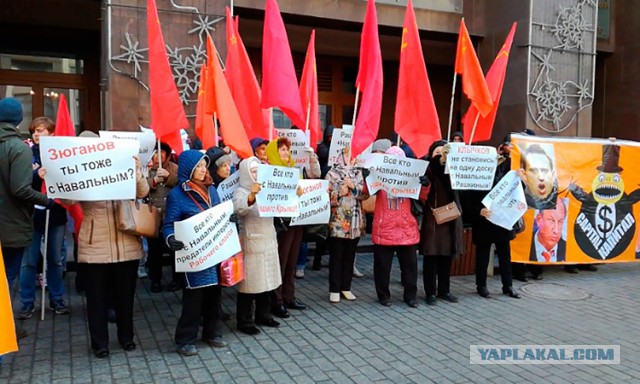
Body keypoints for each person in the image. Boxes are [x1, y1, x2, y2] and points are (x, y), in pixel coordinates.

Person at [63, 131, 149, 358]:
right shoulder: (80, 171)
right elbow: (68, 200)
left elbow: (143, 192)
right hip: (95, 245)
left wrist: (137, 171)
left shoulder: (121, 164)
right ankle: (100, 343)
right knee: (97, 300)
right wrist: (56, 178)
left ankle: (126, 337)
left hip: (126, 242)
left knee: (125, 297)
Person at [163, 150, 227, 356]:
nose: (202, 170)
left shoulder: (212, 190)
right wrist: (170, 238)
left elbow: (220, 215)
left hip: (214, 251)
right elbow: (168, 225)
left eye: (204, 166)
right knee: (194, 299)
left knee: (214, 296)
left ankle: (212, 332)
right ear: (188, 168)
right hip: (192, 254)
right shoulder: (176, 195)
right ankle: (185, 339)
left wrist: (229, 219)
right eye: (198, 166)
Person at [0, 97, 51, 342]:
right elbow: (20, 189)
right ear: (19, 119)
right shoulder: (18, 147)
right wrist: (47, 200)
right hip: (10, 224)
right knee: (8, 279)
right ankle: (6, 330)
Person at [18, 117, 69, 320]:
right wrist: (36, 175)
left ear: (52, 133)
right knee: (28, 262)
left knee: (55, 260)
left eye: (41, 130)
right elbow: (21, 184)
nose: (36, 135)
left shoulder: (61, 154)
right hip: (31, 214)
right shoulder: (26, 154)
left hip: (55, 213)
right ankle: (27, 303)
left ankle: (57, 299)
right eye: (34, 131)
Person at [266, 137, 319, 318]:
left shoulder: (294, 170)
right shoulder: (271, 171)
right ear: (274, 152)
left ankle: (289, 296)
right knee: (280, 261)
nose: (286, 153)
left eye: (287, 150)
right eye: (281, 150)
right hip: (282, 223)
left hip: (297, 220)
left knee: (291, 261)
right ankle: (276, 300)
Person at [371, 147, 429, 308]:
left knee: (410, 267)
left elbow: (422, 196)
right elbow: (366, 190)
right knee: (382, 267)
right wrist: (367, 178)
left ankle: (411, 296)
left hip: (406, 228)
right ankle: (383, 295)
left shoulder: (410, 177)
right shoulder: (380, 176)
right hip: (385, 228)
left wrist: (425, 184)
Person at [233, 157, 282, 335]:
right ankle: (244, 321)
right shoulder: (241, 191)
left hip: (268, 239)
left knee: (267, 281)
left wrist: (294, 194)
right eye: (252, 171)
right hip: (252, 241)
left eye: (258, 170)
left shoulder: (268, 189)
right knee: (250, 285)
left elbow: (283, 204)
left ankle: (264, 315)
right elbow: (240, 208)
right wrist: (251, 195)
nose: (256, 174)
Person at [466, 142, 520, 299]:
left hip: (502, 220)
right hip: (484, 220)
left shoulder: (507, 171)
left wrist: (520, 179)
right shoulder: (476, 176)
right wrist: (478, 211)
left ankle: (507, 285)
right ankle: (481, 285)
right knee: (482, 255)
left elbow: (515, 190)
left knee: (505, 254)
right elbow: (466, 199)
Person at [419, 140, 464, 305]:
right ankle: (430, 293)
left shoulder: (454, 170)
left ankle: (444, 290)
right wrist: (440, 161)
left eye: (444, 151)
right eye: (437, 151)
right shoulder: (427, 168)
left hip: (450, 218)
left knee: (446, 257)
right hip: (433, 219)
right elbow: (435, 170)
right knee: (431, 257)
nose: (440, 154)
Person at [325, 147, 368, 303]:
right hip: (338, 222)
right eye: (347, 155)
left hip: (355, 222)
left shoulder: (358, 173)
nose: (350, 158)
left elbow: (365, 194)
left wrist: (354, 187)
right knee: (336, 256)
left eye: (352, 155)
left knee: (350, 256)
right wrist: (338, 193)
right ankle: (334, 289)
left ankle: (346, 287)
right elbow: (324, 196)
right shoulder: (332, 174)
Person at [146, 142, 180, 293]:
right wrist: (153, 181)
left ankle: (176, 279)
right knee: (155, 251)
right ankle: (155, 280)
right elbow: (140, 189)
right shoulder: (145, 168)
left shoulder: (173, 167)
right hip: (152, 215)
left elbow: (180, 183)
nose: (158, 156)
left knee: (174, 250)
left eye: (161, 153)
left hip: (172, 215)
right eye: (155, 153)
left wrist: (168, 178)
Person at [519, 143, 558, 210]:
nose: (541, 177)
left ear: (553, 175)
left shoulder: (564, 201)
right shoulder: (516, 200)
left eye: (544, 171)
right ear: (524, 175)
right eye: (534, 171)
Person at [529, 199, 567, 263]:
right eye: (551, 220)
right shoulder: (525, 245)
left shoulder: (567, 249)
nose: (556, 230)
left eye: (560, 221)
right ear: (539, 220)